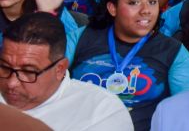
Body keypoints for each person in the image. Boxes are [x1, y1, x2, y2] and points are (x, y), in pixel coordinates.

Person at [67, 0, 189, 130]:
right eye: (134, 2)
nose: (146, 10)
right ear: (112, 8)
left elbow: (186, 114)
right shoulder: (80, 38)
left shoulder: (174, 52)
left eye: (152, 1)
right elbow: (47, 83)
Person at [0, 12, 133, 130]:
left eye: (29, 72)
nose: (12, 83)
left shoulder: (101, 111)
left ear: (60, 69)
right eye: (5, 67)